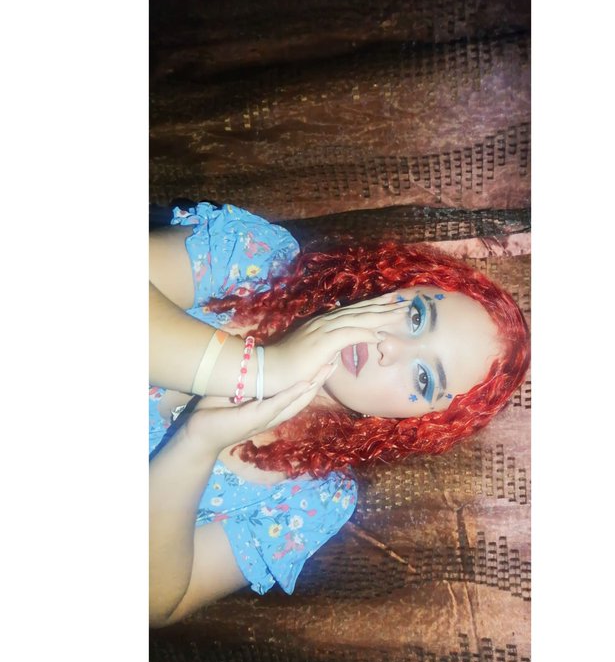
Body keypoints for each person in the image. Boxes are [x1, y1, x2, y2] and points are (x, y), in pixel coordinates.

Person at [149, 202, 530, 627]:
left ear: (417, 424)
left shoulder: (314, 497)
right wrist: (261, 369)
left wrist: (197, 444)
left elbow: (155, 601)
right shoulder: (259, 261)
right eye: (417, 316)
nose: (390, 346)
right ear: (400, 284)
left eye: (423, 378)